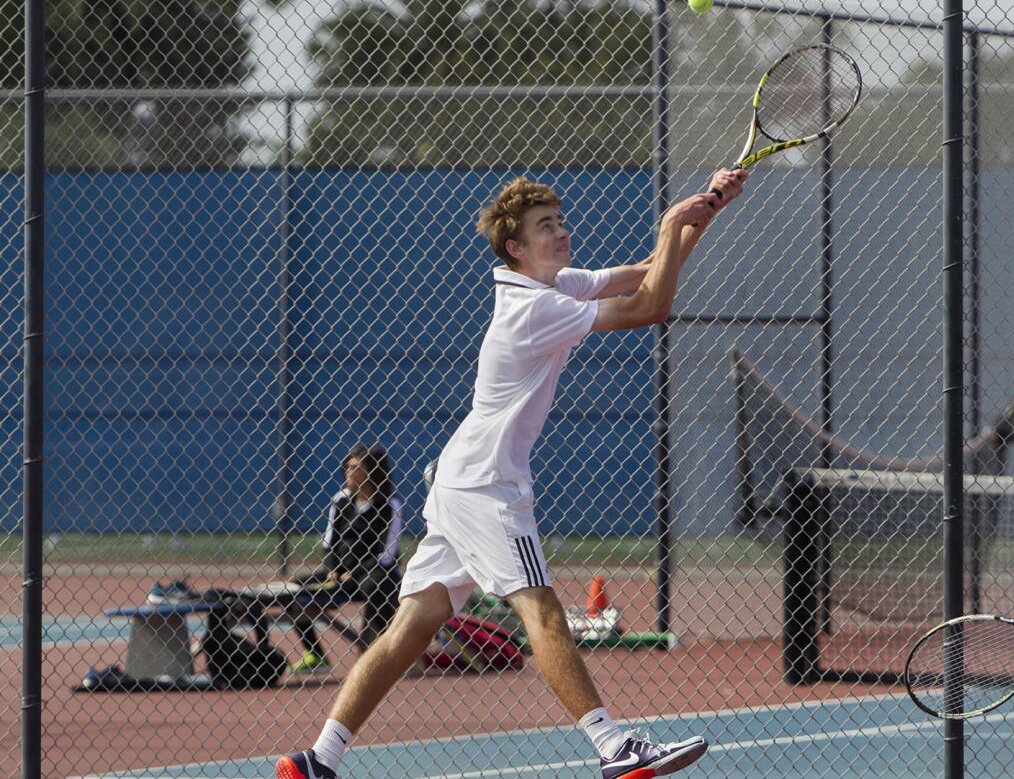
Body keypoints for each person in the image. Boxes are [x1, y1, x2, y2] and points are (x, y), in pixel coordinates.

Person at [276, 167, 747, 779]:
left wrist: (699, 217)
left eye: (561, 220)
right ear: (515, 249)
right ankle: (614, 747)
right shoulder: (534, 308)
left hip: (458, 479)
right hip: (488, 487)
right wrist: (669, 223)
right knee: (541, 608)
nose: (562, 232)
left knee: (409, 628)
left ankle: (318, 759)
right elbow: (653, 305)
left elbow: (646, 271)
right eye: (545, 227)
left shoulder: (549, 283)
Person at [286, 444, 405, 675]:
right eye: (347, 467)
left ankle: (370, 656)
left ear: (372, 471)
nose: (348, 472)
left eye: (355, 467)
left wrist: (357, 570)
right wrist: (333, 569)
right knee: (296, 587)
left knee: (378, 586)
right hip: (341, 572)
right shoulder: (340, 500)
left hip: (375, 571)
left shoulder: (390, 505)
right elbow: (330, 541)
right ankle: (315, 654)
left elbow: (387, 554)